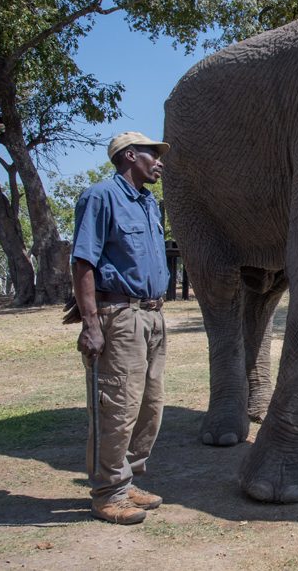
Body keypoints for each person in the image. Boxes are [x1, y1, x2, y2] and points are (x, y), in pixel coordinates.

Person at [71, 131, 171, 524]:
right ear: (131, 156)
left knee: (149, 407)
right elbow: (83, 263)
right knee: (116, 406)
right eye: (153, 155)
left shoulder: (148, 203)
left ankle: (128, 482)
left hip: (153, 316)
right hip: (121, 317)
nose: (160, 162)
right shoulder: (100, 197)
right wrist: (91, 323)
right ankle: (107, 493)